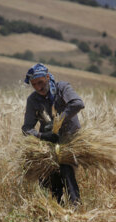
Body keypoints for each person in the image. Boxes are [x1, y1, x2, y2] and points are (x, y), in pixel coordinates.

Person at [22, 63, 85, 205]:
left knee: (65, 168)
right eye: (34, 85)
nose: (38, 87)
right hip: (49, 141)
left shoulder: (62, 88)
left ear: (48, 77)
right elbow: (26, 128)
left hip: (70, 138)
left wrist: (59, 121)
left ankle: (75, 205)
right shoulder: (33, 100)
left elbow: (78, 103)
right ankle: (54, 207)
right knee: (46, 174)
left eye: (40, 82)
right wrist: (42, 136)